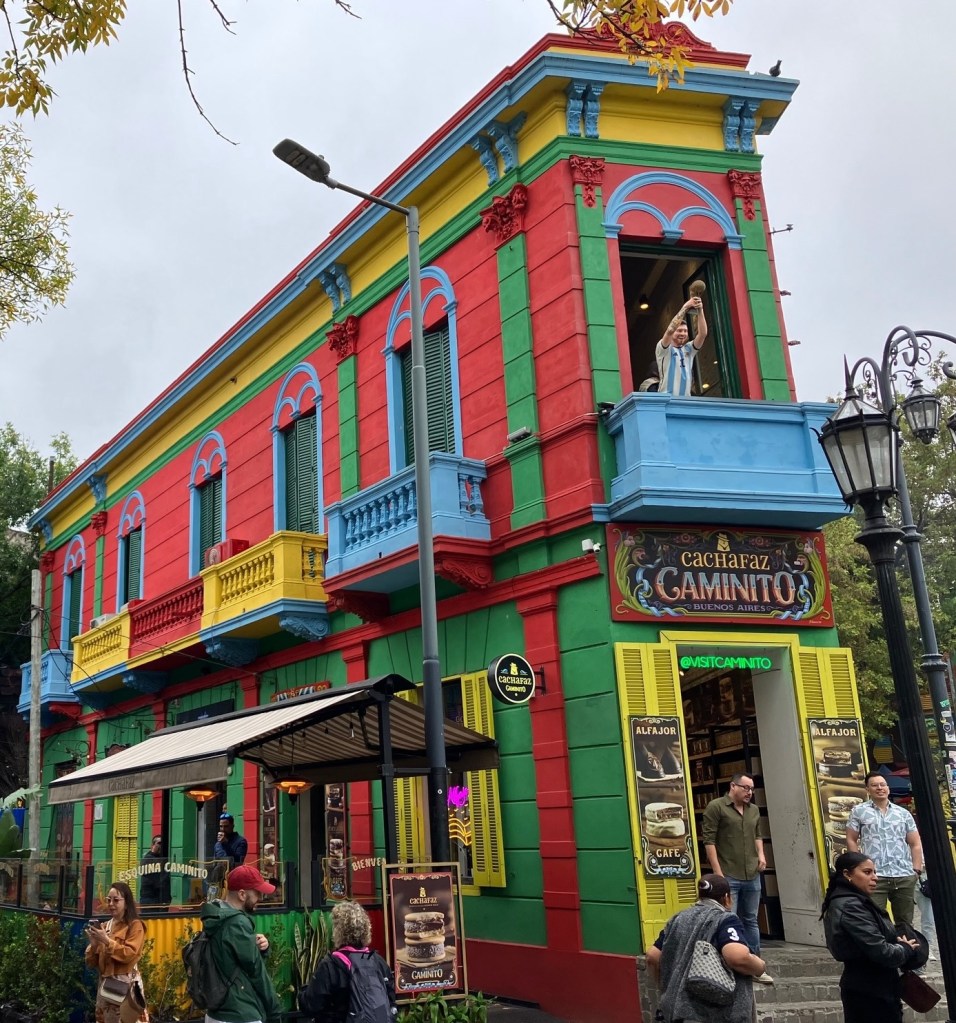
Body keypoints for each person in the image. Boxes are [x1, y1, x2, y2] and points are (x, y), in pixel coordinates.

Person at [646, 874, 766, 1023]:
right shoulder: (725, 920)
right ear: (727, 898)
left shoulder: (677, 919)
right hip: (716, 1014)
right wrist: (759, 966)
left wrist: (666, 988)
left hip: (675, 1012)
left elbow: (652, 956)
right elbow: (737, 956)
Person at [822, 851, 922, 1023]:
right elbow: (881, 951)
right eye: (867, 872)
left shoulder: (854, 901)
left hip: (875, 987)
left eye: (875, 872)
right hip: (870, 991)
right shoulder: (851, 906)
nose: (875, 878)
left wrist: (895, 942)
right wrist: (905, 949)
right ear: (847, 874)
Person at [700, 773, 773, 984]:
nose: (750, 792)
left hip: (751, 872)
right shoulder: (716, 807)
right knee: (727, 919)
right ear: (733, 786)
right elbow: (709, 840)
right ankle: (727, 965)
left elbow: (757, 834)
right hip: (728, 872)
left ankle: (755, 965)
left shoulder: (754, 810)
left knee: (750, 919)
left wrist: (761, 855)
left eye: (752, 789)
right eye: (746, 788)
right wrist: (717, 873)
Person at [200, 864, 282, 1023]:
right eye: (257, 893)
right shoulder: (237, 923)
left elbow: (232, 961)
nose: (260, 897)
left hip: (216, 1012)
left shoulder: (216, 916)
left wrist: (260, 948)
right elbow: (256, 972)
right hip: (240, 1013)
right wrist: (275, 1011)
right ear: (242, 894)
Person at [845, 771, 922, 926]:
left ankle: (907, 950)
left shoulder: (903, 814)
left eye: (883, 784)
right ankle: (883, 950)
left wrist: (916, 870)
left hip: (903, 875)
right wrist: (858, 868)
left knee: (905, 923)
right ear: (867, 789)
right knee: (875, 921)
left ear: (887, 787)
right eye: (874, 785)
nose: (879, 788)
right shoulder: (859, 811)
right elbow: (851, 839)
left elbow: (915, 843)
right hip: (874, 876)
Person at [299, 901, 396, 1023]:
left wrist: (303, 990)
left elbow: (311, 1005)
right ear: (366, 929)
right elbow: (390, 999)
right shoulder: (377, 961)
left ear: (337, 930)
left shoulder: (331, 965)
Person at [85, 880, 148, 1023]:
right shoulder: (104, 926)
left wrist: (107, 941)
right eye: (109, 900)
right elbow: (90, 963)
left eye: (116, 900)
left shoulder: (135, 925)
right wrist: (94, 945)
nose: (111, 904)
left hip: (125, 988)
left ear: (126, 903)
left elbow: (129, 954)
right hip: (106, 988)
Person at [655, 294, 708, 396]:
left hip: (685, 401)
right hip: (666, 399)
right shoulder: (663, 348)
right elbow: (670, 330)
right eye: (679, 330)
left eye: (685, 331)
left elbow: (703, 334)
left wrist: (700, 311)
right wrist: (685, 307)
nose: (682, 333)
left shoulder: (688, 349)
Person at [139, 835, 171, 906]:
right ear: (153, 845)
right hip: (150, 898)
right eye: (159, 843)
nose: (161, 846)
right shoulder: (147, 859)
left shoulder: (162, 858)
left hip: (162, 898)